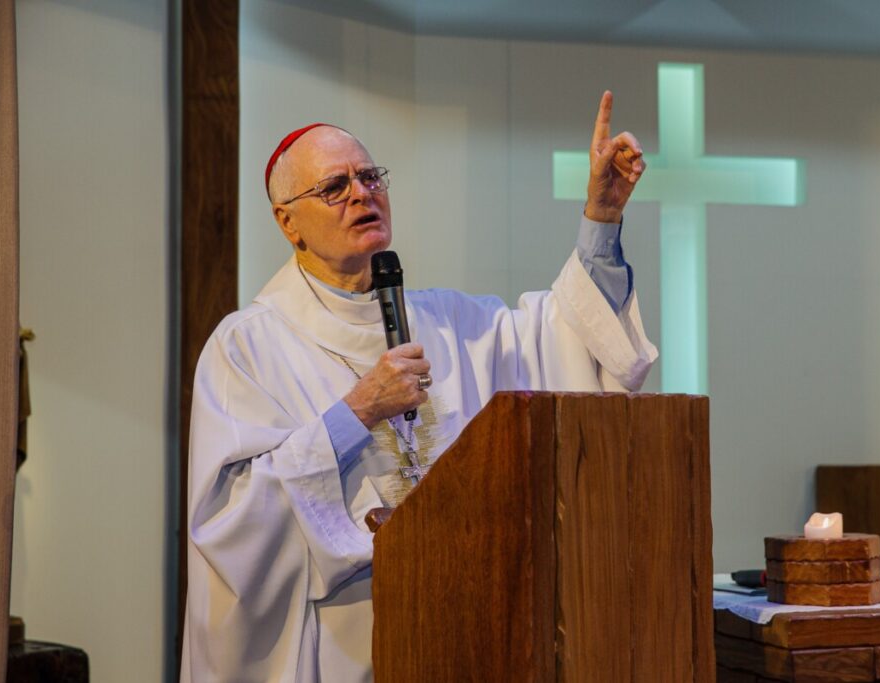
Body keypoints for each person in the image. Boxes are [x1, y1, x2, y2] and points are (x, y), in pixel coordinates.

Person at [181, 92, 658, 682]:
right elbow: (231, 520)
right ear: (287, 223)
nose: (362, 193)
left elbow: (562, 339)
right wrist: (356, 413)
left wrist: (601, 218)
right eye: (334, 187)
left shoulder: (448, 322)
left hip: (458, 629)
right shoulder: (248, 346)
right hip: (337, 646)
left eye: (369, 176)